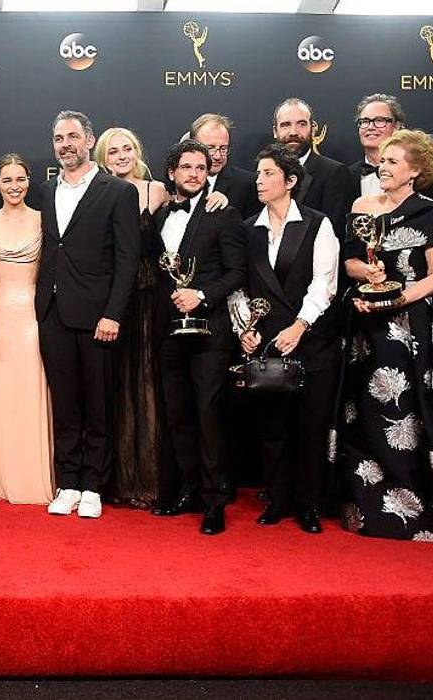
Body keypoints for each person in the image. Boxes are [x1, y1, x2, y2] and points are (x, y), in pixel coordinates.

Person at [338, 129, 433, 542]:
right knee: (367, 417)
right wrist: (366, 278)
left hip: (416, 329)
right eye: (382, 161)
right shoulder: (362, 206)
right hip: (367, 329)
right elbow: (352, 261)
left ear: (415, 171)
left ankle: (429, 510)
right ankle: (377, 510)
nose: (383, 167)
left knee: (415, 414)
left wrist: (394, 299)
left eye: (393, 162)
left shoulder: (431, 211)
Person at [234, 143, 340, 534]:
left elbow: (324, 283)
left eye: (268, 174)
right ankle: (276, 500)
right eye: (258, 174)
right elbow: (238, 286)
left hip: (310, 342)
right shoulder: (248, 229)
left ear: (290, 181)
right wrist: (243, 327)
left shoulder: (317, 223)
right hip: (268, 346)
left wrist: (300, 326)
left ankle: (308, 505)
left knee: (311, 426)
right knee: (272, 428)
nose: (259, 181)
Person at [39, 111, 140, 519]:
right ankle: (68, 482)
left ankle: (94, 485)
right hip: (53, 313)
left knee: (99, 404)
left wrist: (113, 313)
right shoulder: (46, 192)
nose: (65, 144)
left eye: (73, 137)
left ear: (89, 140)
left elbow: (127, 259)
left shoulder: (117, 192)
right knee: (65, 405)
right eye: (58, 138)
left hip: (98, 315)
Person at [148, 140, 246, 535]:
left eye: (200, 167)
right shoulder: (158, 217)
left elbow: (237, 272)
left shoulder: (223, 213)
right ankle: (188, 488)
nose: (193, 173)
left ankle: (215, 500)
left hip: (210, 330)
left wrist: (201, 295)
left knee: (209, 414)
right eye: (186, 167)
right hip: (168, 329)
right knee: (178, 413)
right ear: (172, 172)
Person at [93, 126, 168, 509]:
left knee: (147, 383)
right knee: (116, 388)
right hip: (110, 299)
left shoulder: (155, 191)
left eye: (128, 149)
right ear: (102, 157)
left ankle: (149, 480)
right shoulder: (96, 195)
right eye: (113, 151)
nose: (121, 156)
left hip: (147, 297)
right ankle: (118, 481)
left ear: (137, 151)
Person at [0, 154, 54, 505]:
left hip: (32, 314)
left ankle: (35, 478)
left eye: (20, 179)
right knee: (1, 390)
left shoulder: (44, 220)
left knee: (32, 389)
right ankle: (0, 477)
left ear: (29, 182)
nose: (14, 186)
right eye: (6, 179)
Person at [349, 94, 433, 227]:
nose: (370, 127)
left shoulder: (421, 171)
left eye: (379, 120)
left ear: (397, 126)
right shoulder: (346, 175)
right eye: (364, 121)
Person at [272, 97, 358, 235]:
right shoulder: (264, 174)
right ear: (275, 131)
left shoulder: (334, 173)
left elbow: (334, 231)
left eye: (301, 124)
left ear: (313, 129)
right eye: (285, 125)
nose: (293, 132)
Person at [190, 114, 259, 220]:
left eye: (223, 149)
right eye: (210, 148)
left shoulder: (246, 184)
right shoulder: (177, 181)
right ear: (192, 147)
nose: (218, 156)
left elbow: (250, 231)